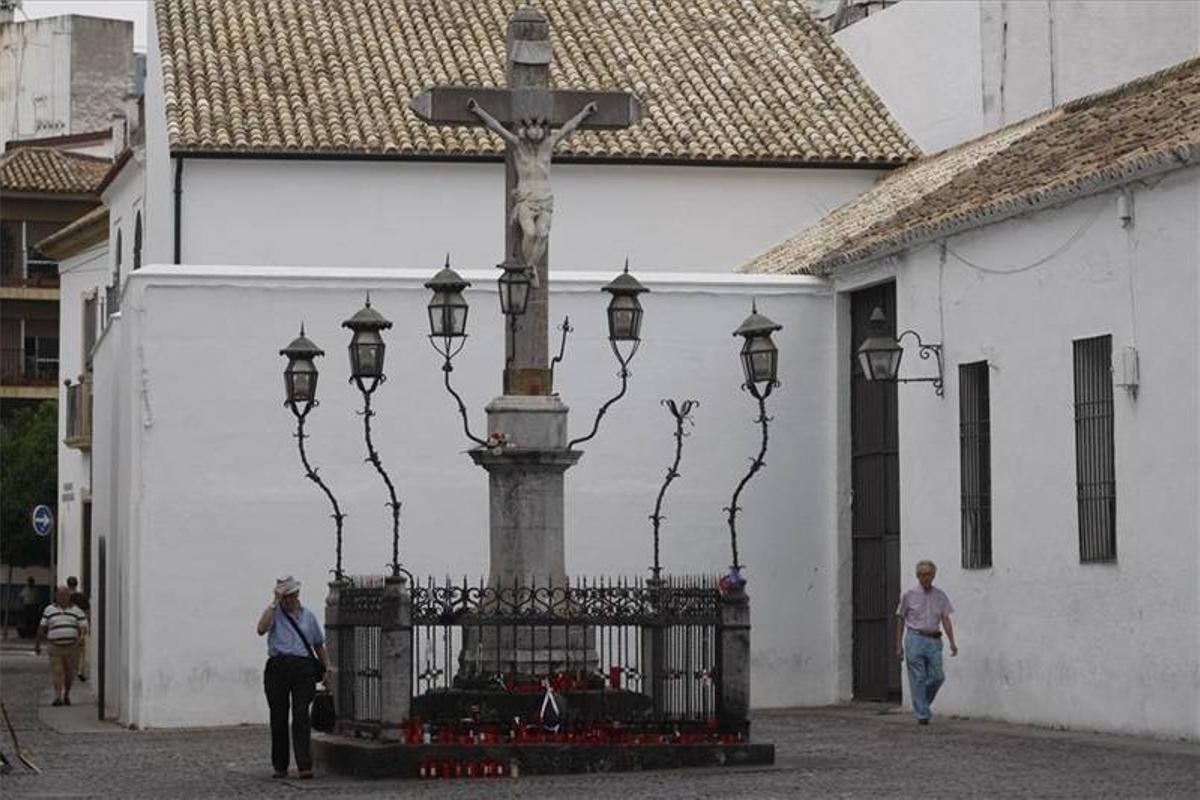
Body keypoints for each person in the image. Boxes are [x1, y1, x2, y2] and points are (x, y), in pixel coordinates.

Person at [467, 97, 597, 283]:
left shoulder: (549, 144)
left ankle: (529, 266)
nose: (535, 132)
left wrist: (585, 113)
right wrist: (478, 110)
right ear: (526, 130)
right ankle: (529, 267)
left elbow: (568, 127)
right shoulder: (518, 146)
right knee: (530, 233)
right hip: (527, 198)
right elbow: (496, 127)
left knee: (542, 234)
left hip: (545, 198)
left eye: (539, 128)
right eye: (532, 128)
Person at [256, 575, 327, 780]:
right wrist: (274, 603)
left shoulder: (309, 617)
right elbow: (261, 629)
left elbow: (318, 644)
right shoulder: (274, 614)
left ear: (297, 595)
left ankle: (305, 765)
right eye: (283, 597)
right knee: (278, 716)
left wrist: (327, 667)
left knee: (301, 714)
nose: (287, 600)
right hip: (278, 666)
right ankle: (280, 765)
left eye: (290, 596)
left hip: (303, 668)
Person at [894, 559, 958, 725]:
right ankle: (922, 714)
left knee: (938, 676)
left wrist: (952, 641)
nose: (925, 578)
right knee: (918, 677)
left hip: (934, 639)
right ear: (917, 576)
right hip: (915, 637)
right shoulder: (909, 595)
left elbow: (946, 619)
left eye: (928, 574)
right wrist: (898, 645)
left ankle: (922, 704)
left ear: (934, 575)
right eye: (922, 575)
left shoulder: (940, 596)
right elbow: (900, 619)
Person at [36, 586, 88, 706]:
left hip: (72, 647)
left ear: (69, 597)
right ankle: (58, 696)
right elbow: (42, 626)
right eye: (60, 595)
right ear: (56, 596)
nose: (62, 598)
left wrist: (81, 637)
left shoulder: (76, 610)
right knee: (57, 671)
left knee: (70, 673)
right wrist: (38, 643)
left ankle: (66, 694)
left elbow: (83, 626)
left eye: (65, 595)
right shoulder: (49, 610)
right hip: (55, 646)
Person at [66, 576, 90, 682]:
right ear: (76, 584)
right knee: (80, 649)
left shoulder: (64, 597)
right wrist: (88, 624)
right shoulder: (82, 597)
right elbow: (87, 611)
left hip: (67, 624)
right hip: (79, 625)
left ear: (68, 584)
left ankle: (69, 668)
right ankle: (80, 671)